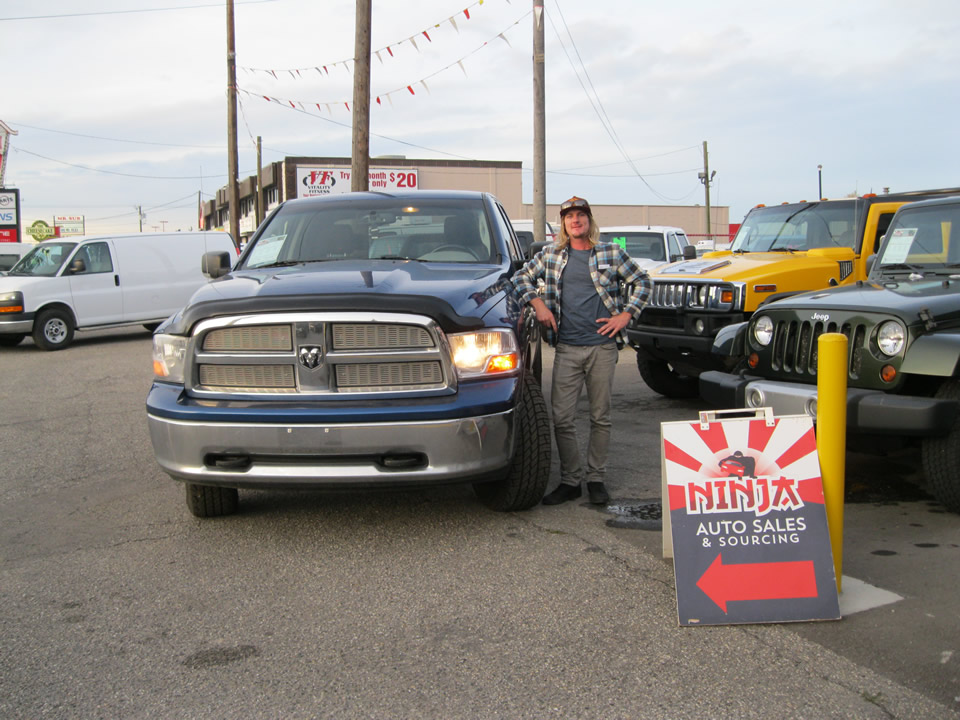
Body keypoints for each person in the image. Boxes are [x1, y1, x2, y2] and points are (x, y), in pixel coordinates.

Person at [512, 196, 652, 505]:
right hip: (567, 348)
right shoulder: (551, 255)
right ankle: (571, 481)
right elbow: (520, 277)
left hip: (602, 348)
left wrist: (625, 315)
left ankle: (596, 479)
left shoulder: (611, 252)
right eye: (569, 216)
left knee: (600, 417)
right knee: (562, 418)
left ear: (589, 221)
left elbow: (642, 281)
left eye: (581, 215)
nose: (576, 220)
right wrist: (538, 305)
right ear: (563, 223)